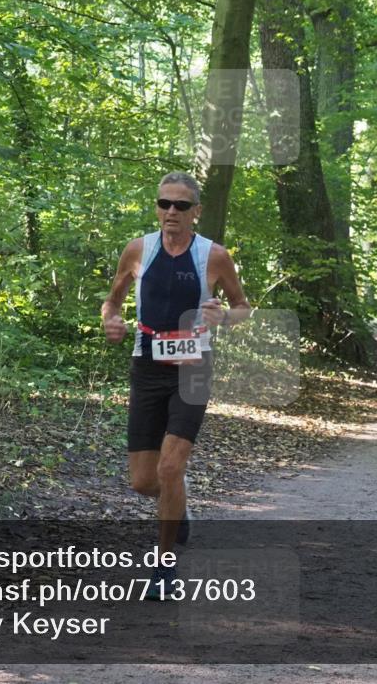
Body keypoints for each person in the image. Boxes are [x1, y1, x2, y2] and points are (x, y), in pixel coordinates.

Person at [101, 172, 251, 599]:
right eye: (164, 203)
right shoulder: (138, 250)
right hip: (147, 366)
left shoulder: (213, 256)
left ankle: (164, 568)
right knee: (143, 482)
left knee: (171, 469)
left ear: (196, 212)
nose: (171, 212)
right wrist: (110, 319)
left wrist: (226, 317)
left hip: (193, 367)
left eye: (181, 206)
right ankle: (178, 512)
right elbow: (112, 299)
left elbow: (242, 307)